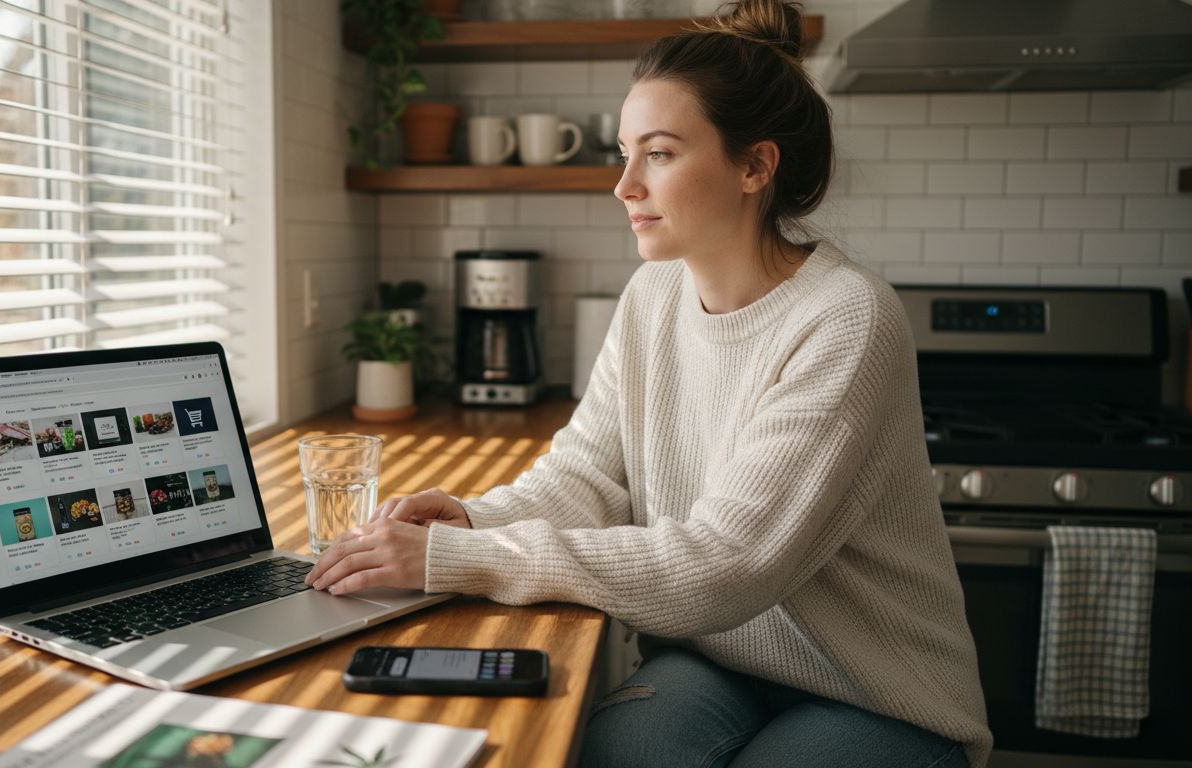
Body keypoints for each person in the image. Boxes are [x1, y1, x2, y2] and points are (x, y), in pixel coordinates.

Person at [305, 0, 991, 765]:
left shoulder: (846, 318)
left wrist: (467, 561)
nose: (624, 185)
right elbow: (593, 474)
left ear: (755, 167)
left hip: (872, 687)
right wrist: (472, 520)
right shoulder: (654, 294)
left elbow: (727, 567)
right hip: (720, 661)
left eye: (658, 154)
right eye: (626, 152)